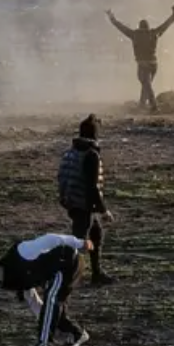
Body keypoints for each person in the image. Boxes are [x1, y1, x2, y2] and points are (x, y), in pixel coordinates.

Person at [0, 233, 91, 346]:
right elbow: (36, 304)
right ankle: (77, 334)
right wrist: (49, 325)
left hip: (67, 261)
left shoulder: (22, 253)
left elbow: (49, 239)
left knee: (52, 300)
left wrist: (78, 242)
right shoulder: (19, 282)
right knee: (51, 307)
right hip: (56, 271)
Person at [57, 115, 115, 285]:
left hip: (72, 200)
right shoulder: (91, 155)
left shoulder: (71, 151)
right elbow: (92, 187)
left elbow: (63, 176)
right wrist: (104, 210)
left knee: (95, 233)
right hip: (82, 203)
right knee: (79, 241)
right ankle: (67, 278)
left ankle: (96, 274)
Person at [106, 4, 174, 112]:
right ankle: (142, 105)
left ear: (139, 27)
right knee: (146, 84)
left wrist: (111, 17)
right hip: (154, 64)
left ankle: (154, 106)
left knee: (146, 84)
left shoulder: (135, 34)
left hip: (143, 64)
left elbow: (120, 27)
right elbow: (166, 24)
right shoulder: (154, 33)